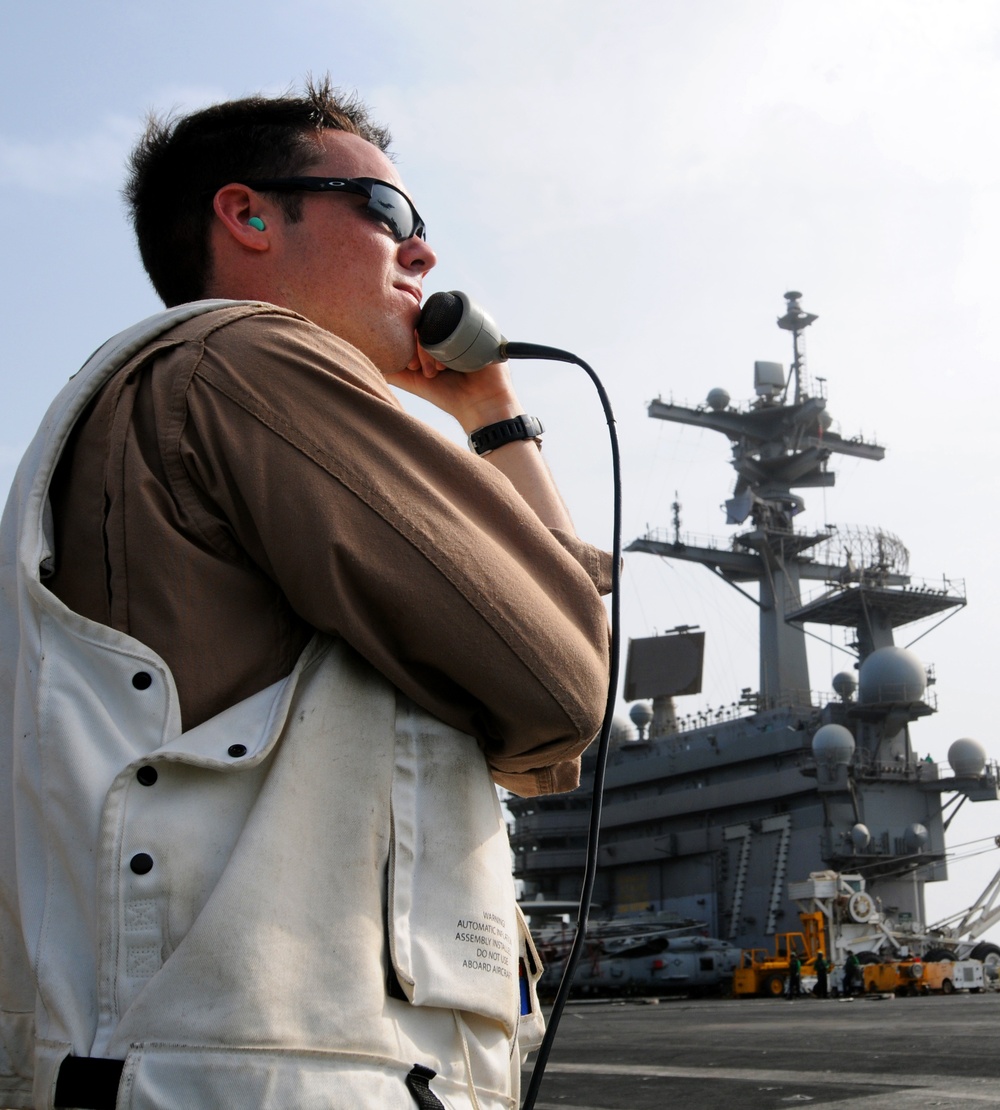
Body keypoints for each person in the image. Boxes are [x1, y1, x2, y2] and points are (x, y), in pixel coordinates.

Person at [0, 78, 611, 1110]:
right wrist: (498, 416)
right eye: (387, 214)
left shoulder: (134, 407)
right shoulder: (247, 358)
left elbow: (552, 691)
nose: (420, 252)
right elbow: (563, 683)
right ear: (245, 215)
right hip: (281, 1075)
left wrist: (487, 412)